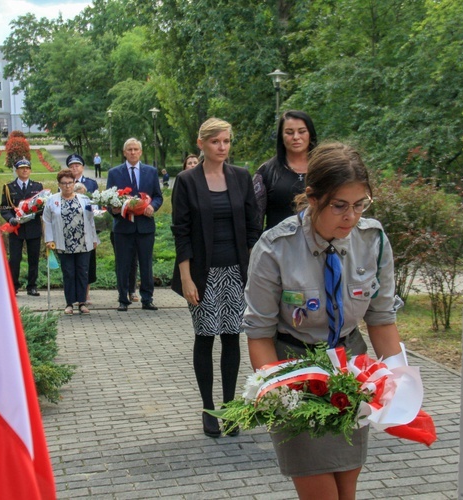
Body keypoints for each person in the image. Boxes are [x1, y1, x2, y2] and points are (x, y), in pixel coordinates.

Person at [243, 142, 405, 499]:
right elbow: (259, 333)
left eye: (360, 205)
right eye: (340, 206)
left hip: (351, 371)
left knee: (347, 490)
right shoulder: (275, 248)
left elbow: (380, 319)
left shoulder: (372, 240)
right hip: (295, 372)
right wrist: (277, 392)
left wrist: (401, 380)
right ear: (312, 198)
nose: (351, 217)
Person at [171, 118, 261, 437]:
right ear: (201, 144)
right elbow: (180, 232)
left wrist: (253, 272)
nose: (222, 147)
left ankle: (231, 408)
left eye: (226, 141)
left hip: (237, 272)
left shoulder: (240, 177)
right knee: (206, 337)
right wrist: (186, 278)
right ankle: (209, 409)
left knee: (232, 337)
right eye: (215, 142)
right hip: (202, 274)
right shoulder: (186, 181)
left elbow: (253, 228)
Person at [106, 138, 163, 311]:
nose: (132, 152)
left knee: (146, 263)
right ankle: (123, 298)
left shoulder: (151, 172)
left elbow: (158, 196)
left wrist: (152, 207)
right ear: (124, 152)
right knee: (122, 264)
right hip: (123, 226)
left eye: (135, 149)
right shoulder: (114, 173)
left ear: (140, 152)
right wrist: (113, 210)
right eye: (129, 149)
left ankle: (147, 298)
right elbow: (109, 198)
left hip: (145, 226)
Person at [43, 168, 99, 315]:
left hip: (83, 241)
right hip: (64, 242)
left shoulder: (84, 199)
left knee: (82, 272)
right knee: (68, 272)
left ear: (74, 183)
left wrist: (94, 238)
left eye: (70, 182)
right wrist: (49, 239)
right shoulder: (52, 201)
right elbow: (47, 221)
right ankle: (69, 303)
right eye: (64, 183)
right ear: (59, 184)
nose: (67, 186)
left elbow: (91, 220)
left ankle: (82, 302)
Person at [253, 110, 318, 230]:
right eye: (289, 132)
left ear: (310, 134)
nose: (296, 137)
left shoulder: (324, 169)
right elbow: (254, 218)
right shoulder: (266, 172)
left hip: (319, 244)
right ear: (281, 137)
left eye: (302, 131)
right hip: (277, 245)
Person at [0, 157, 44, 296]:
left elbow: (42, 206)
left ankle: (32, 286)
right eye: (22, 168)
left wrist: (35, 212)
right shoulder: (9, 187)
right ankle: (14, 286)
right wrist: (10, 218)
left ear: (30, 170)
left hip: (33, 227)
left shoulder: (37, 187)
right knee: (15, 259)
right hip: (16, 228)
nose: (25, 170)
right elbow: (4, 207)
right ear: (17, 170)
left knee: (33, 258)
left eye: (27, 168)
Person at [67, 154, 100, 302]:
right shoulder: (64, 183)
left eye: (77, 165)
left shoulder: (91, 184)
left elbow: (98, 205)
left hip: (87, 230)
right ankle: (72, 295)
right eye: (72, 166)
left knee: (87, 264)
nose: (75, 168)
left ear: (82, 167)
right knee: (71, 265)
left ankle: (85, 294)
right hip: (69, 230)